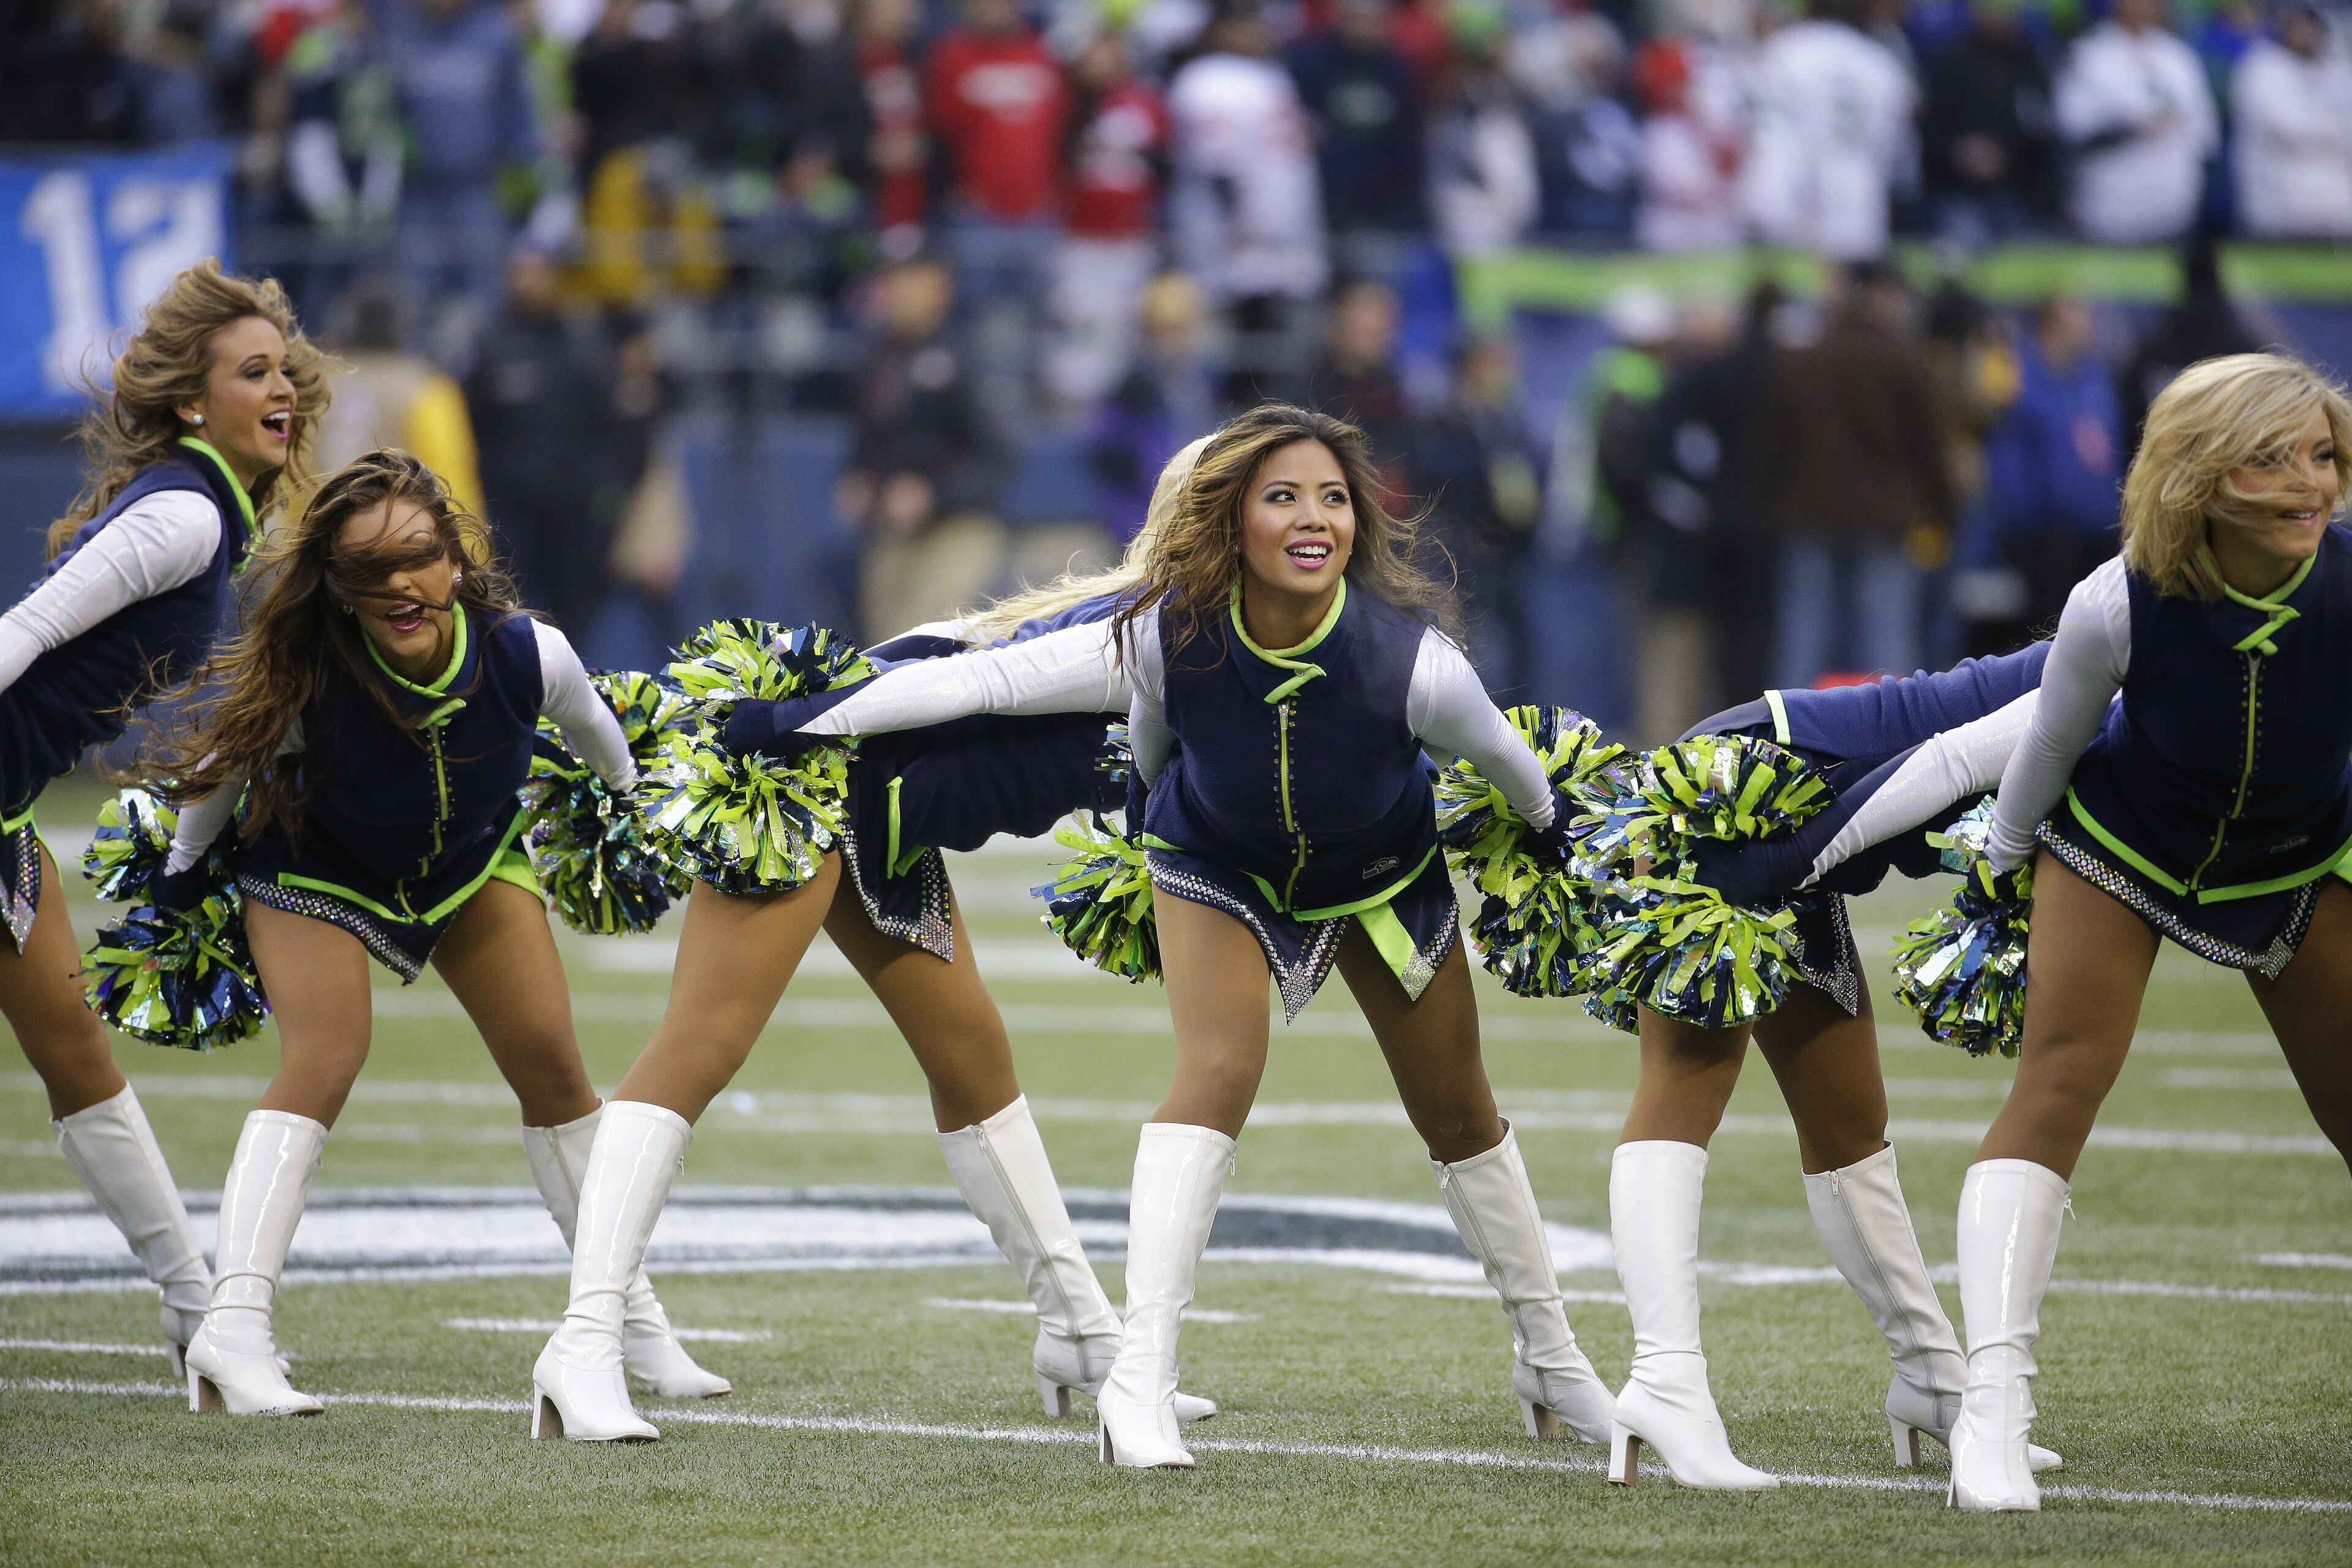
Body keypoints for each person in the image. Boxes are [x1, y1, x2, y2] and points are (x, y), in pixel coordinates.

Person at [769, 405, 1619, 1469]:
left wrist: (1550, 835)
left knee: (1458, 1106)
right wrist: (807, 716)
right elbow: (992, 682)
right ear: (1233, 523)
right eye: (1283, 497)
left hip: (1380, 876)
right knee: (1217, 1071)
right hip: (1216, 860)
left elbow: (1513, 772)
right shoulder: (1163, 637)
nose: (1315, 519)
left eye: (1333, 498)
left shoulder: (1416, 664)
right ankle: (1141, 1379)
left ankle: (1549, 1352)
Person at [529, 448, 1227, 1442]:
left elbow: (940, 638)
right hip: (816, 787)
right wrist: (799, 721)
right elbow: (963, 680)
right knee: (700, 1046)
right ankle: (584, 1342)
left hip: (888, 820)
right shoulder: (1144, 635)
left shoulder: (1192, 634)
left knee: (973, 1057)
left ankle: (1078, 1332)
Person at [139, 451, 722, 1417]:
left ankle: (627, 1324)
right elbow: (214, 779)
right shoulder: (308, 679)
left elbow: (604, 750)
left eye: (418, 556)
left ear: (454, 560)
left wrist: (631, 818)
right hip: (317, 866)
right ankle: (232, 1333)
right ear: (337, 589)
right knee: (327, 1055)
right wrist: (175, 884)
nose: (401, 585)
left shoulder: (531, 653)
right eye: (369, 572)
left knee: (553, 1068)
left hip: (470, 862)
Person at [1947, 353, 2352, 1511]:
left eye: (2320, 454)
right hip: (2123, 849)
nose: (2308, 485)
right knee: (2059, 1085)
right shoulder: (2117, 597)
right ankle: (1994, 1409)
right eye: (2270, 460)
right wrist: (2003, 857)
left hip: (2298, 858)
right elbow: (2051, 744)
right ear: (2199, 479)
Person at [1601, 649, 2070, 1490]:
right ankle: (1663, 1382)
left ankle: (1933, 1378)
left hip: (1804, 828)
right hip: (1743, 800)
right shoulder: (2129, 644)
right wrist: (1779, 873)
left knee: (1848, 1121)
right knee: (1685, 1085)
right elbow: (1947, 764)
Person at [0, 261, 318, 1374]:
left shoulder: (211, 514)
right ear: (193, 402)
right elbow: (24, 633)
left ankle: (193, 1308)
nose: (281, 386)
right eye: (251, 371)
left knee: (73, 1045)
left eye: (284, 367)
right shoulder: (185, 513)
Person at [1757, 262, 1953, 688]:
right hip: (1885, 519)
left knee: (1803, 634)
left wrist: (1776, 502)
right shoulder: (1902, 357)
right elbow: (1929, 447)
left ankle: (1785, 737)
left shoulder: (1801, 358)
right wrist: (1943, 511)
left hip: (1806, 516)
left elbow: (1772, 445)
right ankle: (1893, 745)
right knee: (1885, 639)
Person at [835, 255, 1012, 642]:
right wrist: (858, 478)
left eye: (912, 277)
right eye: (894, 278)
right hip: (893, 530)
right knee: (881, 652)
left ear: (940, 286)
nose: (901, 290)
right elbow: (868, 439)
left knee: (924, 647)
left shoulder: (966, 355)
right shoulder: (878, 355)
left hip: (957, 531)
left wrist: (934, 493)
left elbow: (1000, 457)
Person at [1984, 295, 2123, 634]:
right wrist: (2025, 521)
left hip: (2094, 533)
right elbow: (2009, 459)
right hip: (2042, 538)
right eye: (2074, 322)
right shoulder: (2021, 381)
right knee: (2046, 635)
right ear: (2050, 326)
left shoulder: (2095, 379)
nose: (2085, 330)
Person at [1741, 0, 1915, 261]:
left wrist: (1763, 208)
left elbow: (1771, 139)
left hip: (1799, 207)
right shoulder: (1880, 63)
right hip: (1864, 206)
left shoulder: (1784, 52)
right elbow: (1897, 156)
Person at [2052, 0, 2216, 245]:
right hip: (2112, 210)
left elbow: (2203, 130)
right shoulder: (2089, 55)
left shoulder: (2178, 55)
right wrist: (2133, 129)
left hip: (2174, 207)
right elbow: (2072, 129)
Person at [1918, 0, 2060, 249]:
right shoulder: (1951, 61)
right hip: (1956, 191)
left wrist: (2007, 156)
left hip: (2016, 191)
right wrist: (1959, 151)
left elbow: (2042, 128)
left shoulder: (2031, 62)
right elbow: (1927, 127)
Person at [2230, 6, 2352, 241]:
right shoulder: (2262, 68)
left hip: (2337, 207)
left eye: (2310, 28)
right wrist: (2337, 132)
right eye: (2297, 27)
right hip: (2278, 203)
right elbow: (2289, 129)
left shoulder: (2339, 72)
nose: (2304, 34)